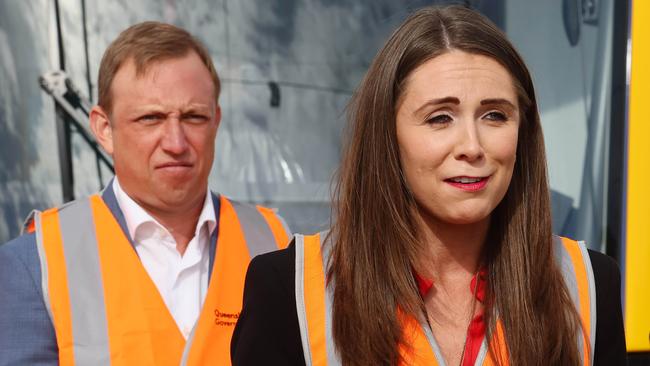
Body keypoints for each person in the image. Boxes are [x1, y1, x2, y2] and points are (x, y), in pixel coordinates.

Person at [231, 5, 626, 366]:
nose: (472, 146)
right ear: (387, 136)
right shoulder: (288, 291)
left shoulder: (589, 285)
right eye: (440, 118)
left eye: (494, 115)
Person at [0, 21, 291, 365]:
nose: (176, 143)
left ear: (216, 121)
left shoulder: (277, 242)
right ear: (104, 129)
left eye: (194, 117)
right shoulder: (34, 265)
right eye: (151, 118)